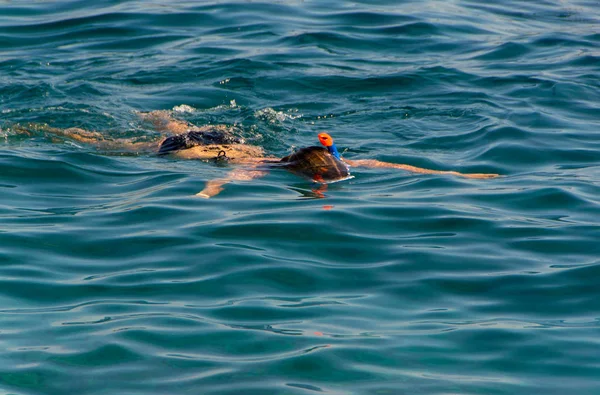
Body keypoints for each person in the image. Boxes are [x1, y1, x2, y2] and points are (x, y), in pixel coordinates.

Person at [14, 110, 499, 198]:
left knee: (169, 124)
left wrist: (462, 174)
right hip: (191, 152)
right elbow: (229, 180)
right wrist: (206, 192)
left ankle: (156, 114)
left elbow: (386, 163)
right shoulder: (263, 169)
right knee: (105, 144)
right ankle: (45, 131)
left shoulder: (274, 160)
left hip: (221, 137)